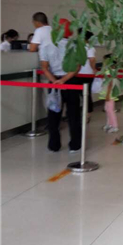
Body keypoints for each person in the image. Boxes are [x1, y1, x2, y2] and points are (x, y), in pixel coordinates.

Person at [40, 18, 82, 153]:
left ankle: (54, 145)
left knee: (53, 114)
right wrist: (64, 80)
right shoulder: (75, 45)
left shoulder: (46, 44)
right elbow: (77, 67)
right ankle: (75, 145)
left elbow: (44, 67)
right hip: (71, 82)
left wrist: (55, 81)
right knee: (73, 115)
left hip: (53, 82)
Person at [77, 30, 97, 120]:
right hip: (80, 73)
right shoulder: (80, 46)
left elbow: (92, 60)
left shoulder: (89, 47)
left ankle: (87, 114)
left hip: (86, 74)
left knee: (86, 94)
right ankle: (83, 113)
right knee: (82, 94)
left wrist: (94, 69)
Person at [99, 54, 119, 133]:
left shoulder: (110, 71)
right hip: (108, 93)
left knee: (110, 110)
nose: (103, 62)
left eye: (105, 61)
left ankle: (114, 126)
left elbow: (110, 83)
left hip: (110, 93)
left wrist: (108, 94)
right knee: (107, 109)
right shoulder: (109, 70)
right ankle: (109, 124)